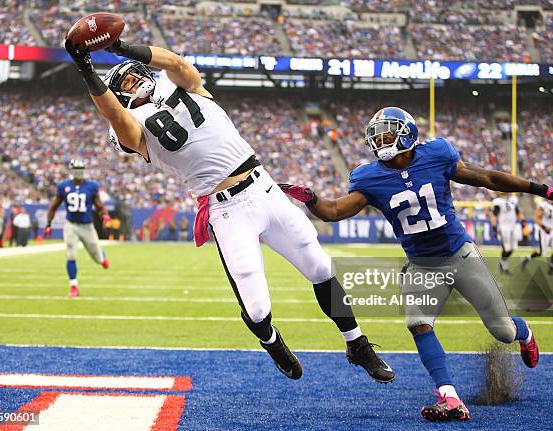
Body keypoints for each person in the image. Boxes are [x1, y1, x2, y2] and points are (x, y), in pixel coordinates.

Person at [63, 36, 394, 382]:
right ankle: (271, 341)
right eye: (125, 84)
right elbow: (114, 113)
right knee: (257, 308)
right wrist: (86, 69)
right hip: (227, 210)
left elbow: (175, 63)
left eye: (135, 75)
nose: (135, 83)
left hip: (264, 187)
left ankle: (356, 344)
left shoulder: (187, 86)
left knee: (320, 267)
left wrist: (121, 47)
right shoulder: (133, 130)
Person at [279, 107, 553, 421]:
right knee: (418, 322)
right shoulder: (369, 176)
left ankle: (525, 332)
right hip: (422, 264)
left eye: (387, 134)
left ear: (407, 133)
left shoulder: (437, 154)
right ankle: (448, 395)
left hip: (459, 254)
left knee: (502, 330)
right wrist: (311, 198)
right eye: (377, 136)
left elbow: (488, 178)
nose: (381, 141)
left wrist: (542, 190)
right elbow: (335, 211)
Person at [45, 159, 110, 297]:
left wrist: (104, 215)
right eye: (77, 169)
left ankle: (102, 256)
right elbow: (54, 206)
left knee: (98, 259)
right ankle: (73, 286)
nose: (79, 172)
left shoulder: (91, 186)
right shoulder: (64, 186)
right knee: (71, 254)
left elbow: (99, 206)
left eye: (81, 169)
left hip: (87, 226)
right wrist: (48, 225)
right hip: (71, 225)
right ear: (72, 170)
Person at [521, 199, 553, 276]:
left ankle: (551, 269)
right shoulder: (543, 205)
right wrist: (544, 227)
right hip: (544, 231)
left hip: (552, 230)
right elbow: (536, 217)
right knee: (542, 253)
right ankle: (526, 259)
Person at [491, 195, 525, 274]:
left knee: (513, 248)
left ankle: (502, 263)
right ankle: (504, 267)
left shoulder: (513, 200)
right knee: (506, 248)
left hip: (513, 227)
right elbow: (494, 215)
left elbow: (518, 212)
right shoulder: (498, 201)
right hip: (503, 228)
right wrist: (494, 228)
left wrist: (523, 221)